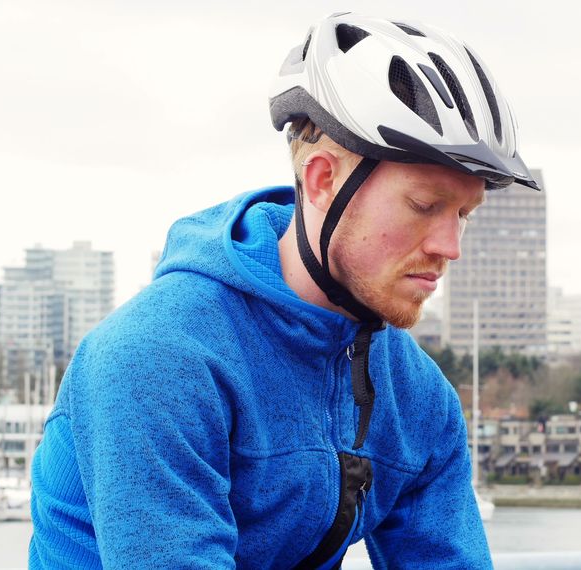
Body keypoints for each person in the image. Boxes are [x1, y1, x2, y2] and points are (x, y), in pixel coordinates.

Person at [28, 12, 540, 569]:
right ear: (322, 180)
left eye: (465, 214)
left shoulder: (419, 399)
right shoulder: (158, 358)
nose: (450, 245)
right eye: (425, 206)